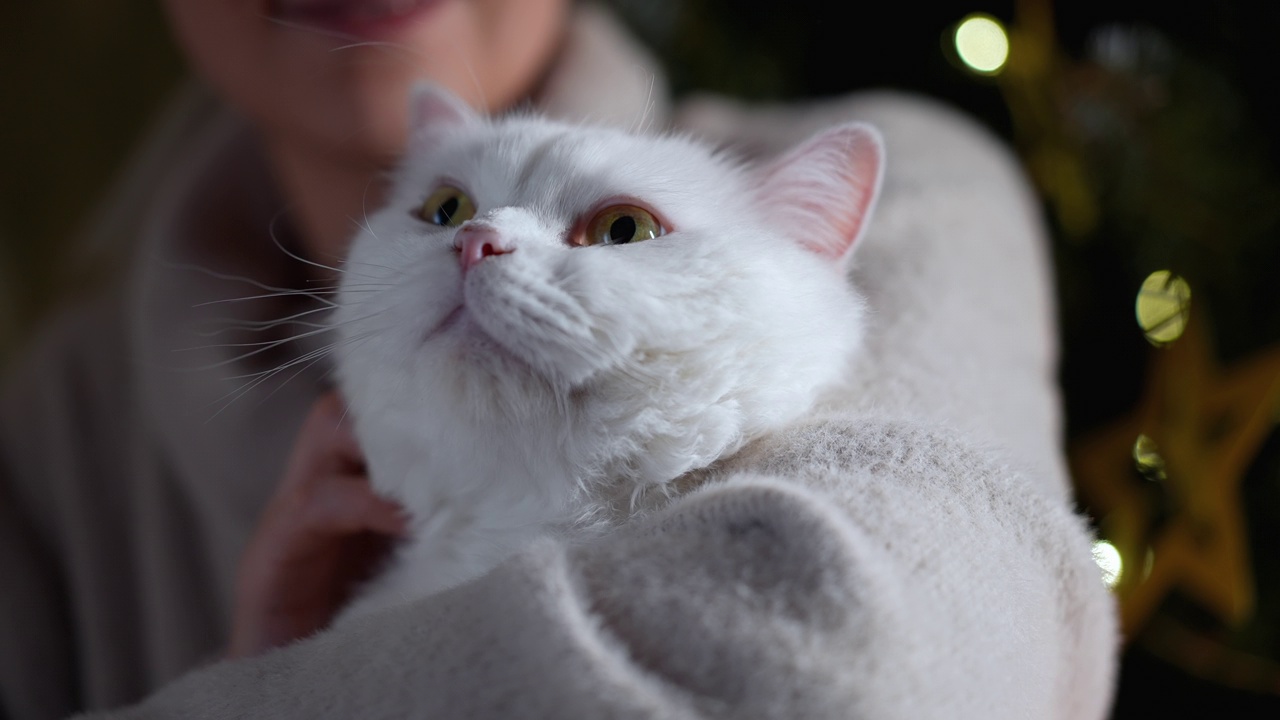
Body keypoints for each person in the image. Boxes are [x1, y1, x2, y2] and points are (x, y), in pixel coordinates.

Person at [0, 1, 1118, 718]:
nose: (480, 240)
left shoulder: (921, 184)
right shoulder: (48, 416)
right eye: (441, 207)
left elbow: (860, 665)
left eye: (620, 228)